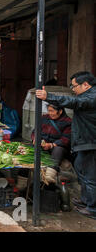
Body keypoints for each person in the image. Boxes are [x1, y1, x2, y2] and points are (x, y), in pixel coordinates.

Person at [36, 71, 96, 220]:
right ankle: (86, 201)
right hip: (84, 142)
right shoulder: (86, 96)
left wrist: (48, 96)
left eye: (74, 86)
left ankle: (92, 208)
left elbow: (73, 102)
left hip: (90, 142)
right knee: (82, 172)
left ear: (86, 85)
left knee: (90, 176)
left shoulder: (92, 97)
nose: (73, 89)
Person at [31, 104, 72, 184]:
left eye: (52, 111)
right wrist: (35, 138)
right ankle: (22, 182)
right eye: (49, 110)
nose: (49, 113)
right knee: (27, 149)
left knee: (58, 149)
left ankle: (49, 176)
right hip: (42, 146)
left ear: (60, 111)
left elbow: (66, 139)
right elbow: (35, 131)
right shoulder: (44, 118)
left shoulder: (68, 122)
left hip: (57, 148)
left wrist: (51, 145)